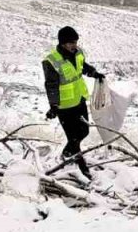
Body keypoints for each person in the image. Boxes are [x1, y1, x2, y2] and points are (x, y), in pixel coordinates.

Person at [42, 26, 104, 177]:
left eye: (75, 42)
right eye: (70, 43)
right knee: (73, 138)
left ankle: (67, 153)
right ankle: (84, 170)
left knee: (84, 131)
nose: (74, 45)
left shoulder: (78, 52)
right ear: (62, 43)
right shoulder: (51, 61)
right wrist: (54, 106)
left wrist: (93, 73)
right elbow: (51, 85)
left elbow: (81, 66)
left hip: (79, 99)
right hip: (64, 106)